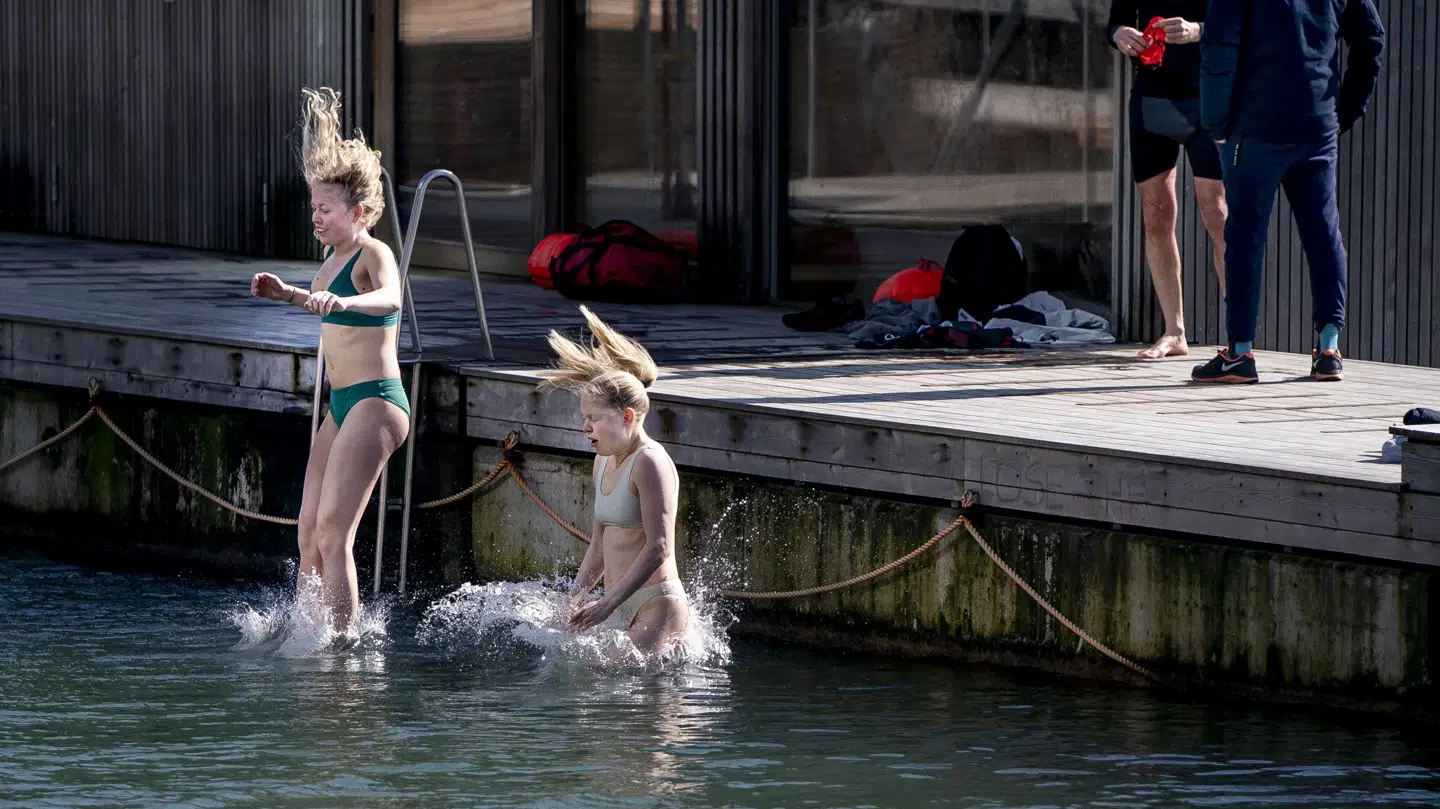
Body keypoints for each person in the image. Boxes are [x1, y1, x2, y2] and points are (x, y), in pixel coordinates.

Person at [249, 87, 408, 636]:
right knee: (307, 530)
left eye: (325, 209)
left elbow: (392, 300)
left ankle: (340, 647)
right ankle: (304, 631)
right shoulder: (332, 255)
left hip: (376, 401)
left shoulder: (373, 253)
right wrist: (288, 295)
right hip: (342, 403)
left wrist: (343, 301)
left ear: (358, 211)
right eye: (312, 207)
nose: (315, 217)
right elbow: (324, 306)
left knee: (336, 531)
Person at [1193, 0, 1384, 383]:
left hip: (1255, 126)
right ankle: (1328, 349)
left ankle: (1240, 354)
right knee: (1324, 234)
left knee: (1245, 236)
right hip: (1316, 123)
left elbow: (1219, 48)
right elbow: (1371, 39)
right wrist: (1343, 111)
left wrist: (1215, 124)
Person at [539, 305, 691, 654]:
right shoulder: (602, 461)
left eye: (594, 418)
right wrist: (574, 597)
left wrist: (607, 605)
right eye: (583, 417)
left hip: (656, 604)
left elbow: (659, 546)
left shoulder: (650, 462)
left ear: (626, 416)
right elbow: (598, 545)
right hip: (615, 602)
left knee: (625, 692)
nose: (585, 427)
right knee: (584, 681)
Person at [1108, 0, 1228, 360]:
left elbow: (1244, 25)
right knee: (1156, 214)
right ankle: (1174, 333)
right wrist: (1119, 35)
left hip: (1207, 93)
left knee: (1217, 213)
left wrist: (1198, 30)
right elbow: (1117, 20)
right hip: (1153, 97)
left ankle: (1239, 337)